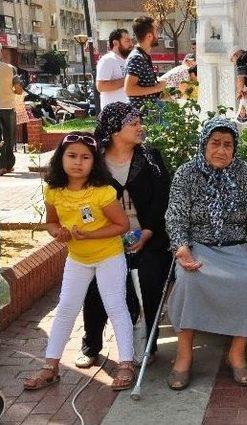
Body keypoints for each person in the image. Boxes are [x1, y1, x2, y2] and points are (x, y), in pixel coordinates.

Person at [164, 117, 247, 389]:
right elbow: (176, 217)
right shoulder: (187, 174)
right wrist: (182, 248)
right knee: (189, 280)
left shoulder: (245, 173)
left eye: (228, 144)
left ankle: (236, 354)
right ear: (204, 144)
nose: (221, 150)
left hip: (237, 247)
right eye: (215, 143)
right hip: (198, 247)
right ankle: (184, 354)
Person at [23, 132, 135, 391]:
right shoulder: (54, 191)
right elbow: (51, 222)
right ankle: (50, 367)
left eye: (85, 157)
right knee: (66, 309)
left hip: (109, 256)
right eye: (71, 155)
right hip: (77, 258)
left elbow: (122, 225)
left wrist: (91, 234)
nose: (78, 162)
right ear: (60, 158)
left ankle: (126, 364)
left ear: (94, 162)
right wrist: (57, 233)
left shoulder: (102, 192)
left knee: (115, 306)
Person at [74, 102, 172, 369]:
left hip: (148, 237)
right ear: (115, 129)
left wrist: (148, 232)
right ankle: (91, 344)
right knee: (95, 286)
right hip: (105, 238)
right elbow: (82, 200)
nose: (141, 128)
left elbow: (162, 200)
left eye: (140, 122)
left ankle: (148, 343)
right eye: (134, 123)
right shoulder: (94, 162)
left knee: (151, 279)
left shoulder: (150, 157)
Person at [125, 16, 167, 113]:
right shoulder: (137, 57)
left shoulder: (143, 55)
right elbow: (129, 89)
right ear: (149, 36)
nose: (158, 35)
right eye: (156, 31)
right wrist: (157, 88)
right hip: (141, 118)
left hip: (148, 115)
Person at [96, 29, 134, 107]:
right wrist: (129, 80)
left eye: (131, 41)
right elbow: (101, 86)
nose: (131, 44)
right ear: (115, 43)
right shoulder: (107, 60)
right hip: (113, 114)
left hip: (128, 112)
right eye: (127, 41)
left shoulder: (127, 60)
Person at [0, 44, 23, 176]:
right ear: (1, 53)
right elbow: (18, 89)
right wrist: (13, 90)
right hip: (8, 107)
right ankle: (5, 165)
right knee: (9, 137)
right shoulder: (11, 69)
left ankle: (5, 165)